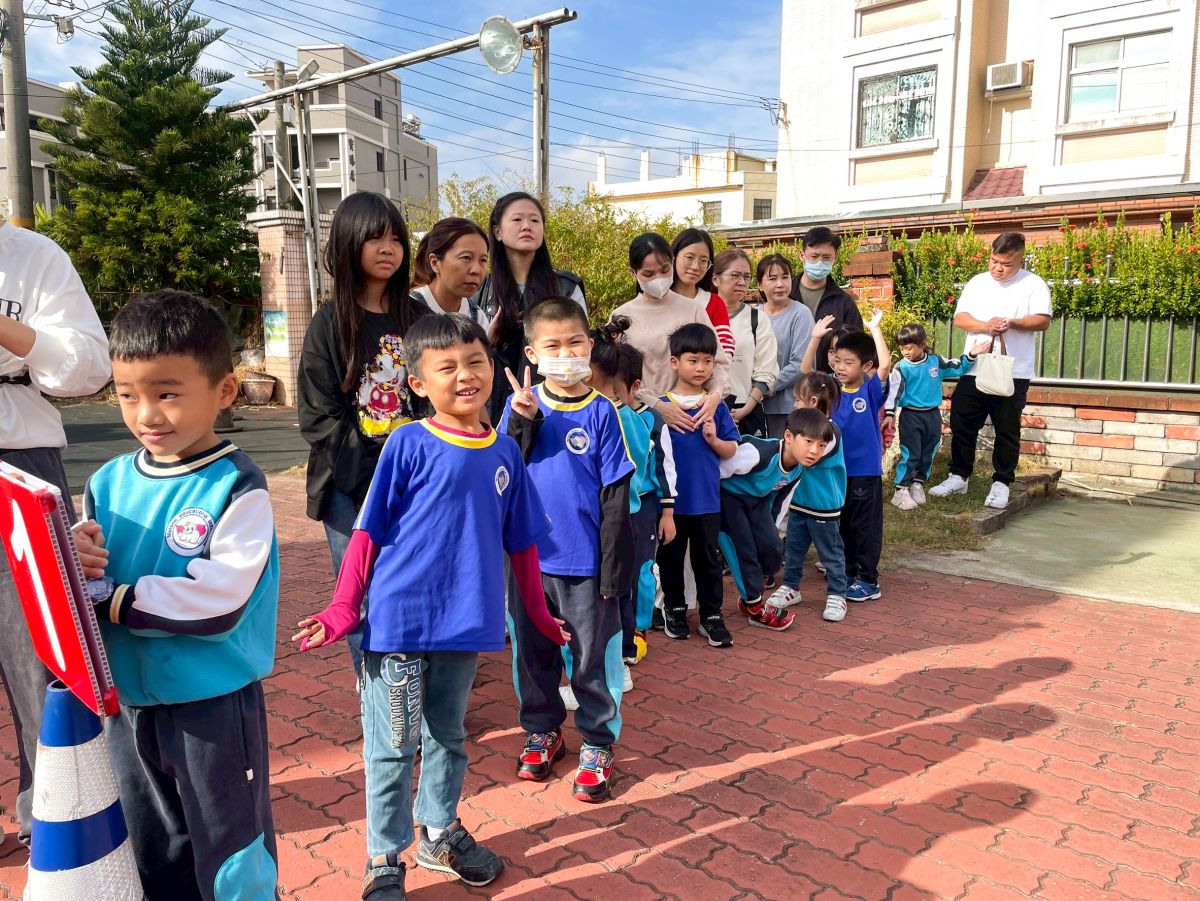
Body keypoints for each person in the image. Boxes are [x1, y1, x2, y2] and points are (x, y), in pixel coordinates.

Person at [292, 314, 566, 897]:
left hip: (466, 625)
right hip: (398, 625)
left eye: (475, 362)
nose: (465, 376)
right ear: (418, 383)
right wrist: (344, 607)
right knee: (392, 746)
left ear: (493, 368)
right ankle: (384, 858)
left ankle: (439, 833)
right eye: (447, 367)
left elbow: (522, 545)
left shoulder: (506, 454)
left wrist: (540, 617)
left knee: (448, 735)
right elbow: (367, 530)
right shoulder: (407, 442)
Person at [73, 291, 278, 899]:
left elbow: (220, 599)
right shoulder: (108, 480)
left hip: (211, 708)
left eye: (167, 393)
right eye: (126, 394)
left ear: (225, 390)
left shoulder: (237, 483)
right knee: (151, 848)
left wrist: (115, 598)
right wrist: (76, 553)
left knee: (230, 851)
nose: (146, 414)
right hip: (129, 705)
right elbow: (88, 572)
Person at [0, 220, 110, 847]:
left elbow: (86, 367)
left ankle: (53, 817)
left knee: (38, 650)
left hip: (20, 455)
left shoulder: (32, 255)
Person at [500, 297, 635, 803]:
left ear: (590, 346)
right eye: (552, 346)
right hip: (530, 562)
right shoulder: (520, 405)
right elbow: (504, 471)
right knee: (533, 655)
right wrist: (523, 422)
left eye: (575, 343)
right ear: (532, 354)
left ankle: (598, 741)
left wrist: (613, 569)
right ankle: (543, 731)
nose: (565, 354)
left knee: (590, 658)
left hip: (586, 564)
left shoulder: (603, 412)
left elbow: (616, 495)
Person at [297, 192, 430, 673]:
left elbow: (435, 397)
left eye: (396, 238)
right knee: (359, 596)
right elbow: (319, 416)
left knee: (414, 586)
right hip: (347, 484)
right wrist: (374, 469)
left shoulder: (418, 319)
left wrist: (416, 464)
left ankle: (415, 687)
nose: (388, 248)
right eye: (375, 237)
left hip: (415, 480)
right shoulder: (328, 323)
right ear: (348, 243)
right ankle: (375, 695)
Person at [929, 232, 1052, 510]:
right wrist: (986, 325)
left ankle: (1002, 482)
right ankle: (959, 476)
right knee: (962, 422)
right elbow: (961, 317)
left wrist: (1012, 323)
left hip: (1013, 371)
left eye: (1006, 264)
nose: (998, 268)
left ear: (1020, 261)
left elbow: (1043, 320)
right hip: (974, 366)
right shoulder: (978, 282)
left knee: (1006, 428)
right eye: (994, 261)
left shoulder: (1033, 284)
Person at [587, 328, 677, 671]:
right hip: (605, 509)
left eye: (611, 393)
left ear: (632, 387)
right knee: (611, 576)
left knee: (636, 572)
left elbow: (662, 468)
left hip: (638, 507)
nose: (601, 399)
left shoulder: (641, 420)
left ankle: (634, 634)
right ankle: (614, 640)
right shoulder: (599, 413)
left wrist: (667, 512)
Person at [656, 323, 740, 647]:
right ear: (675, 362)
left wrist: (714, 440)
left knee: (708, 561)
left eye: (707, 361)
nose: (701, 367)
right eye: (693, 360)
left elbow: (731, 449)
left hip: (706, 501)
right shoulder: (662, 407)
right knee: (671, 560)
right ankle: (674, 611)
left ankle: (711, 616)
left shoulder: (714, 406)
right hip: (671, 505)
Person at [473, 191, 586, 422]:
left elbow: (581, 351)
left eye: (535, 220)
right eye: (517, 219)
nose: (527, 226)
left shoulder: (565, 287)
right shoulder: (478, 288)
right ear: (497, 232)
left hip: (555, 407)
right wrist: (488, 340)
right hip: (490, 408)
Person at [803, 310, 892, 604]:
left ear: (865, 366)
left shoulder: (870, 390)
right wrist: (815, 339)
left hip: (864, 472)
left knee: (864, 527)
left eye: (848, 362)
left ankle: (868, 580)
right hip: (836, 472)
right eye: (837, 360)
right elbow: (806, 373)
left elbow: (885, 365)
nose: (840, 367)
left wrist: (875, 329)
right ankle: (847, 573)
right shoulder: (830, 388)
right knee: (841, 525)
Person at [610, 233, 732, 434]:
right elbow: (615, 377)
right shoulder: (622, 317)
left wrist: (715, 395)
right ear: (633, 272)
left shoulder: (693, 310)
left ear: (673, 262)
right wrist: (657, 406)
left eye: (665, 270)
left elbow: (718, 362)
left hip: (692, 418)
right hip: (641, 420)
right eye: (648, 274)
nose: (658, 279)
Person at [716, 406, 817, 633]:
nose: (814, 451)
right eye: (809, 442)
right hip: (728, 498)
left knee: (773, 549)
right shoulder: (758, 453)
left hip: (756, 501)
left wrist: (767, 533)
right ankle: (754, 606)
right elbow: (716, 471)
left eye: (821, 446)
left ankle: (752, 592)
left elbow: (781, 502)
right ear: (789, 437)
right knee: (743, 550)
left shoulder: (798, 470)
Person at [767, 374, 850, 623]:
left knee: (830, 553)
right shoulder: (801, 430)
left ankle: (837, 594)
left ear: (812, 401)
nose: (794, 405)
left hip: (824, 506)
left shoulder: (829, 432)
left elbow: (808, 458)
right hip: (799, 502)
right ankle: (791, 587)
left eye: (796, 399)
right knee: (793, 549)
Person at [887, 324, 988, 511]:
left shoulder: (936, 361)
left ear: (922, 344)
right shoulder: (901, 367)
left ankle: (918, 483)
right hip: (911, 415)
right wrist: (889, 413)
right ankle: (900, 489)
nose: (905, 352)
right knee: (911, 453)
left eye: (909, 348)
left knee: (929, 451)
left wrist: (972, 354)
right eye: (902, 349)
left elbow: (958, 368)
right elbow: (893, 392)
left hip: (932, 415)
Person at [712, 248, 778, 437]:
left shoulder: (757, 318)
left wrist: (745, 409)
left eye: (746, 277)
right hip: (705, 408)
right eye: (735, 275)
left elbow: (767, 369)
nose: (742, 282)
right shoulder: (700, 314)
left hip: (746, 410)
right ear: (715, 279)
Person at [757, 253, 814, 439]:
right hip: (753, 407)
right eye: (772, 278)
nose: (780, 284)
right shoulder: (753, 315)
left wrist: (761, 389)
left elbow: (800, 365)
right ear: (759, 284)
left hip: (789, 407)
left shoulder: (801, 314)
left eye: (785, 277)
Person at [410, 218, 491, 330]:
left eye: (483, 260)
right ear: (435, 262)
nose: (476, 270)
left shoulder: (478, 318)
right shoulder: (406, 310)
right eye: (466, 257)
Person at [670, 228, 735, 358]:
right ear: (674, 257)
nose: (696, 267)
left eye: (703, 261)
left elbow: (725, 353)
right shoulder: (659, 300)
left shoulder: (714, 303)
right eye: (689, 257)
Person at [789, 226, 863, 329]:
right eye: (814, 256)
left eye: (826, 257)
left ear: (835, 258)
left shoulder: (844, 303)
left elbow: (856, 338)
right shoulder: (785, 294)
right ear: (802, 255)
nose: (820, 262)